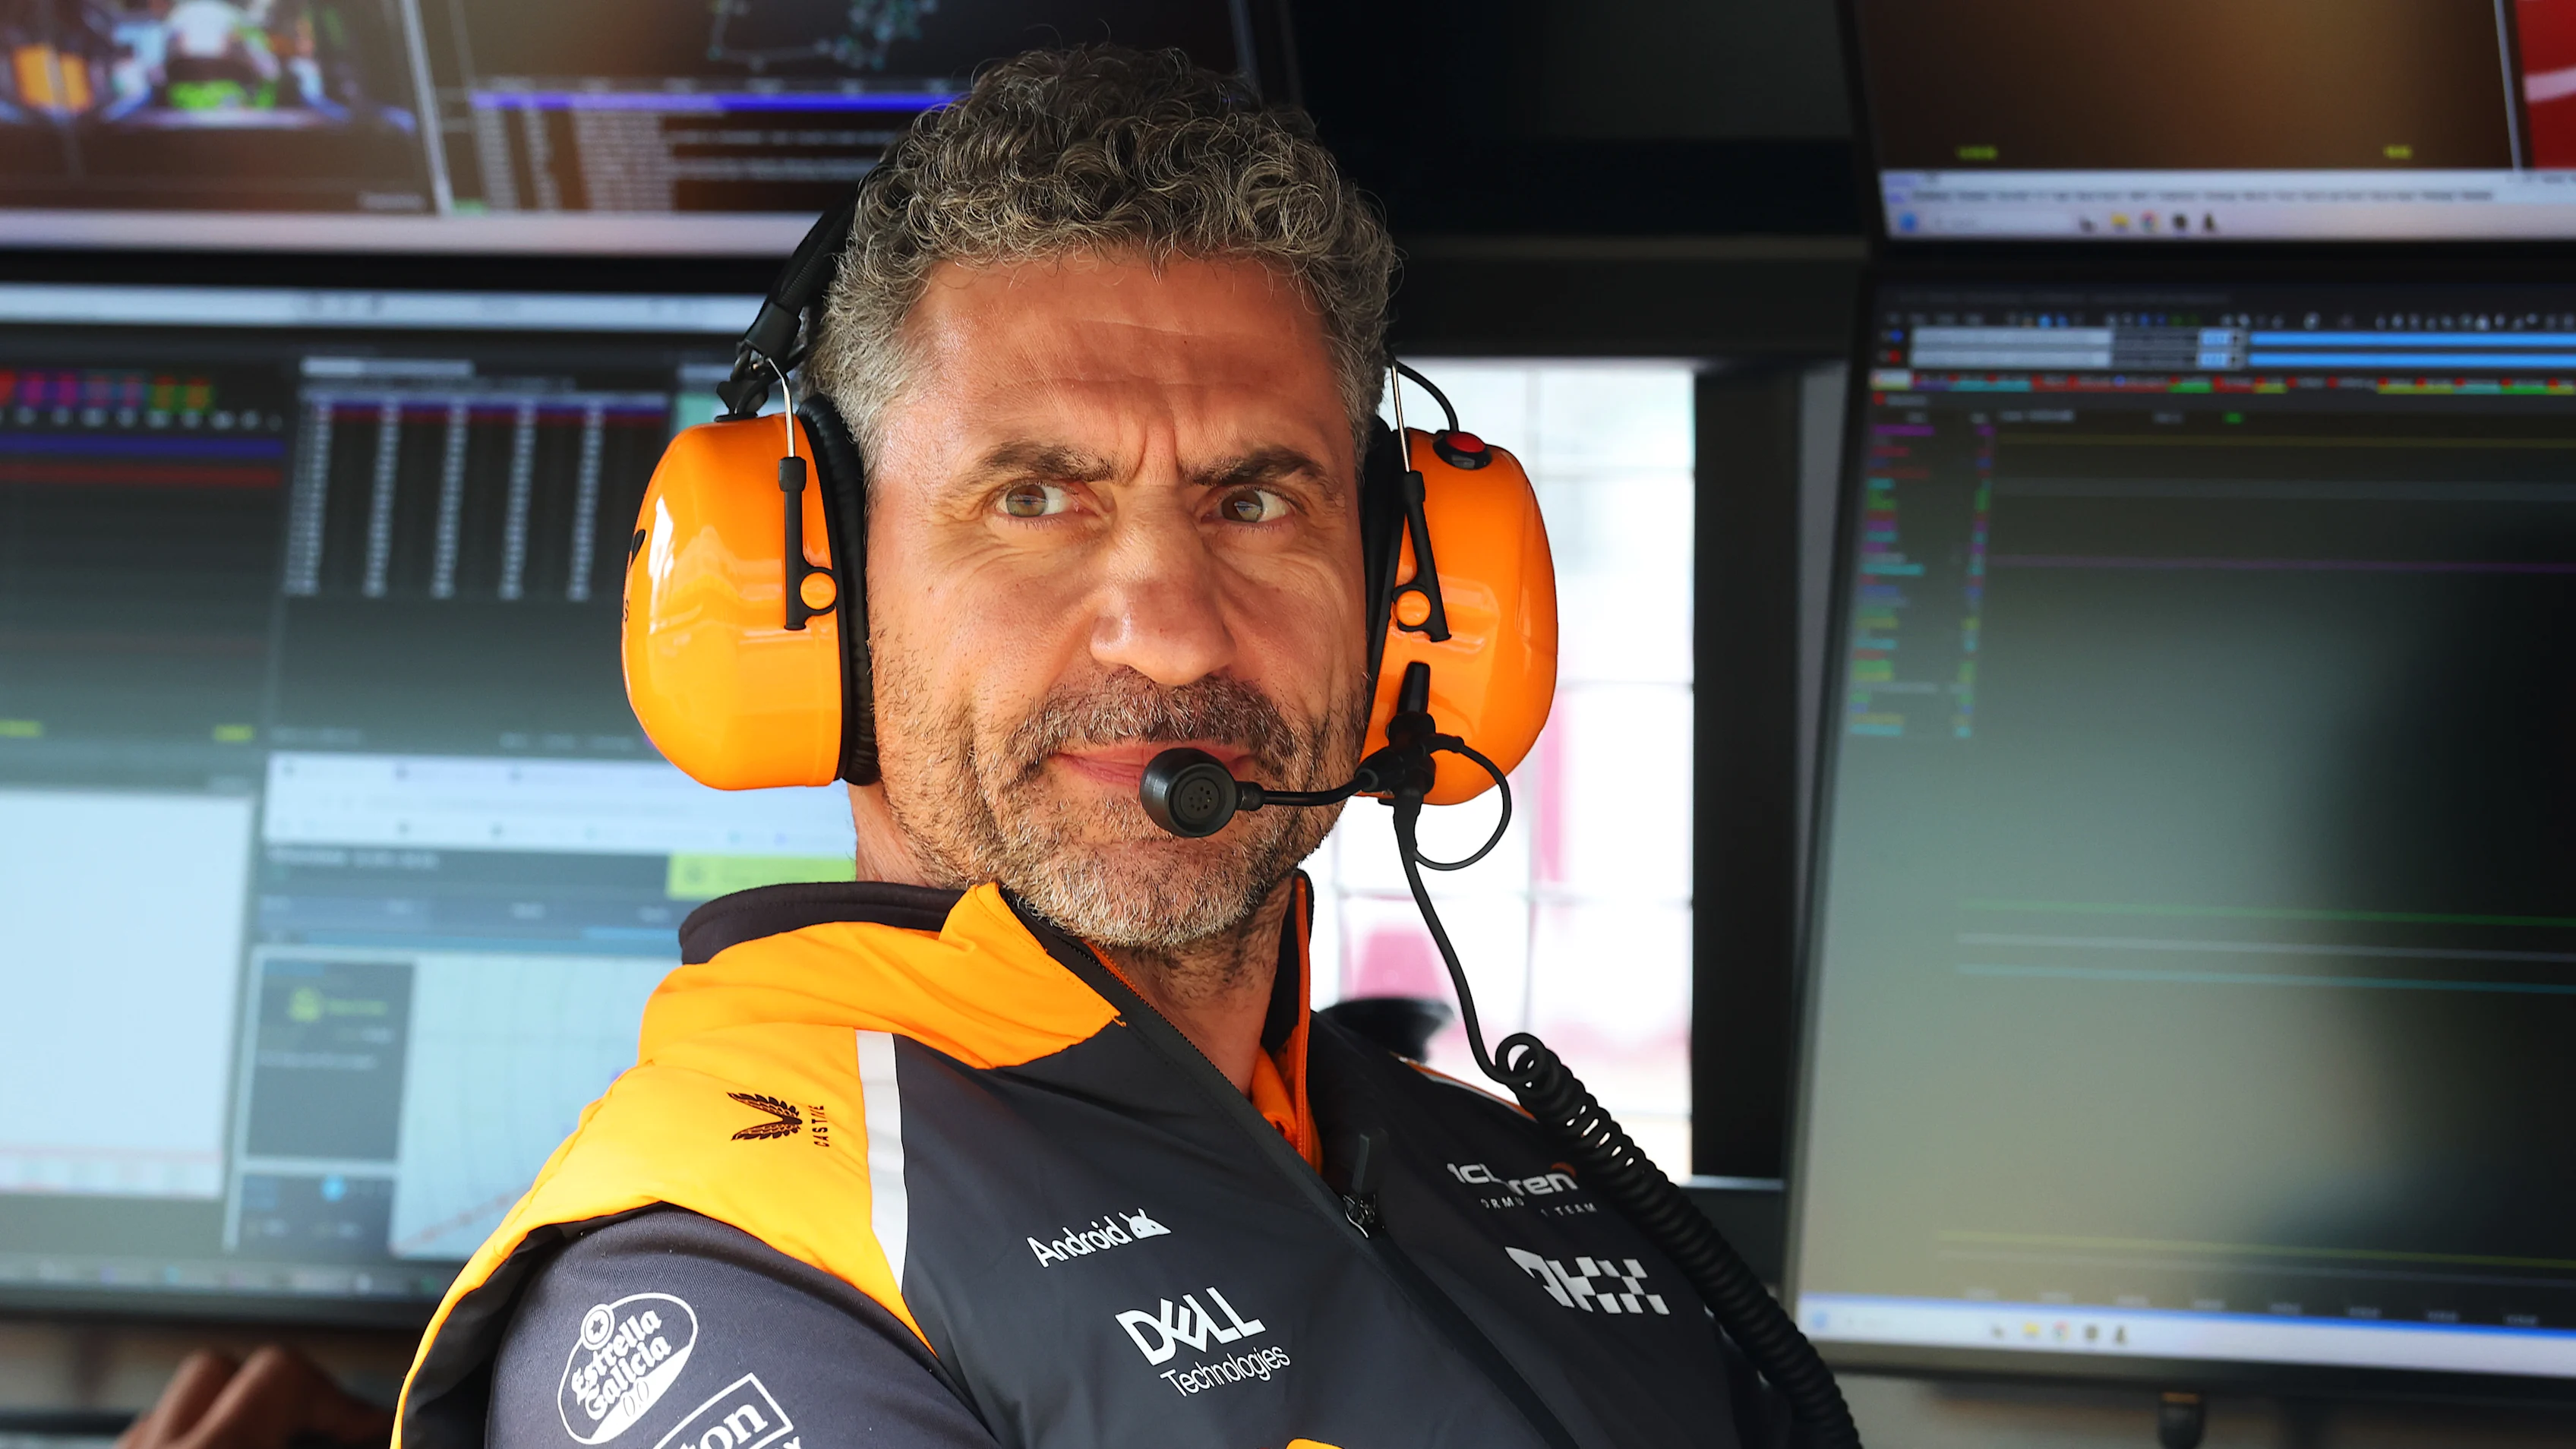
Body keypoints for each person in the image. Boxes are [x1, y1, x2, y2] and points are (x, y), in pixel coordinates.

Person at [395, 46, 1789, 1449]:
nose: (1173, 634)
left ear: (1399, 592)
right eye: (1037, 498)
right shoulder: (732, 1282)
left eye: (1255, 501)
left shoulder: (1525, 1174)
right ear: (813, 590)